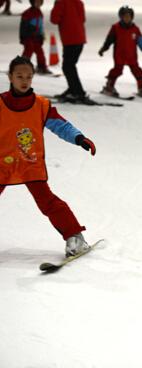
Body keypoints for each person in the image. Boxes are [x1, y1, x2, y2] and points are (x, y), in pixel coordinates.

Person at [0, 56, 96, 256]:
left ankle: (75, 238)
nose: (24, 80)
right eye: (19, 76)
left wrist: (79, 138)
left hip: (30, 163)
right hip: (2, 164)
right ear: (10, 77)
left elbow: (60, 125)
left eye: (28, 76)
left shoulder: (41, 105)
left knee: (47, 202)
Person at [98, 6, 142, 98]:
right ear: (121, 17)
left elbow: (140, 41)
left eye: (129, 16)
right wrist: (103, 49)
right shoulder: (115, 28)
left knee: (137, 71)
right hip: (119, 55)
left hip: (131, 55)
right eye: (125, 16)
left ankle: (141, 88)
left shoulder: (135, 29)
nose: (127, 18)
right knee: (117, 70)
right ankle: (109, 86)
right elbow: (109, 40)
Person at [50, 0, 90, 103]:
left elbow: (54, 19)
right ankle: (73, 88)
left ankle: (77, 92)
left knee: (68, 66)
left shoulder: (61, 2)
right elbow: (83, 19)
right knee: (70, 65)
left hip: (70, 39)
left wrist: (56, 5)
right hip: (80, 39)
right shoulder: (79, 2)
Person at [20, 0, 52, 75]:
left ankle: (41, 66)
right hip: (28, 37)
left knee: (40, 52)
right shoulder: (27, 13)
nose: (38, 4)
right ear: (32, 3)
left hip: (37, 37)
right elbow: (22, 27)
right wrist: (23, 37)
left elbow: (41, 26)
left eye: (40, 2)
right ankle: (21, 67)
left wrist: (42, 35)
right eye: (36, 2)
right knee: (28, 51)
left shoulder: (40, 13)